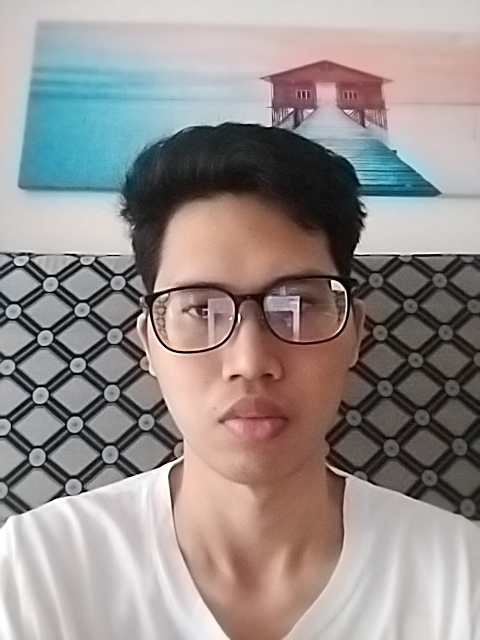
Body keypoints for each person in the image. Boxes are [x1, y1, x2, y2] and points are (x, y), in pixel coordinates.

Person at [1, 122, 479, 640]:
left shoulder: (460, 579)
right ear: (150, 344)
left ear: (355, 334)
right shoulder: (37, 570)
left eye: (297, 305)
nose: (250, 361)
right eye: (201, 309)